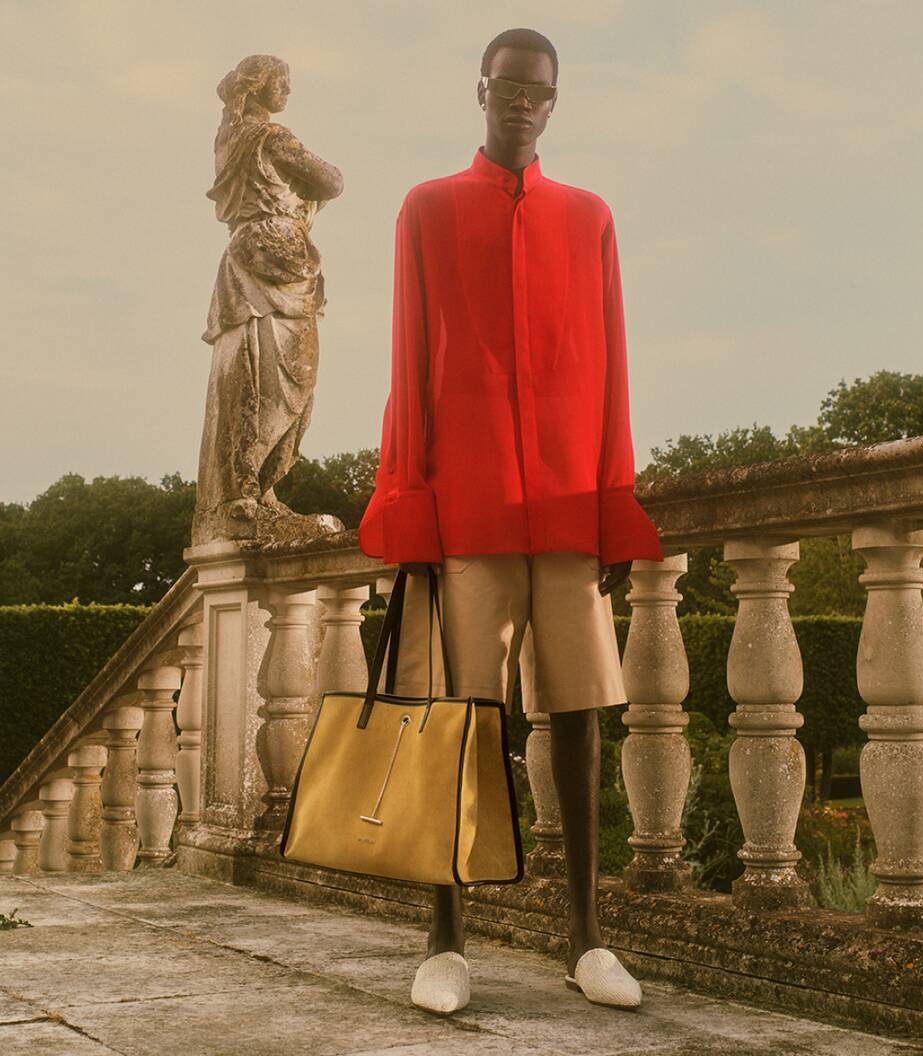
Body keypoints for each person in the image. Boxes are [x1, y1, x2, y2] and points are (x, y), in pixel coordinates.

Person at [357, 27, 663, 1014]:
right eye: (506, 88)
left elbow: (613, 366)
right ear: (478, 90)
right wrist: (407, 504)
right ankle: (445, 940)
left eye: (537, 92)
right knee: (459, 723)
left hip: (570, 506)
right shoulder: (427, 209)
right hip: (467, 513)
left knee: (575, 715)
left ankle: (585, 939)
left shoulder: (590, 218)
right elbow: (409, 359)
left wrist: (613, 501)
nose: (520, 104)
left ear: (554, 102)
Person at [194, 55, 344, 545]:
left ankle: (254, 491)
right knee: (273, 377)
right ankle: (250, 494)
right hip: (276, 254)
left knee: (258, 374)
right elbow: (331, 180)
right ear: (261, 88)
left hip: (251, 254)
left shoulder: (229, 138)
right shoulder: (272, 137)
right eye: (284, 82)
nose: (288, 92)